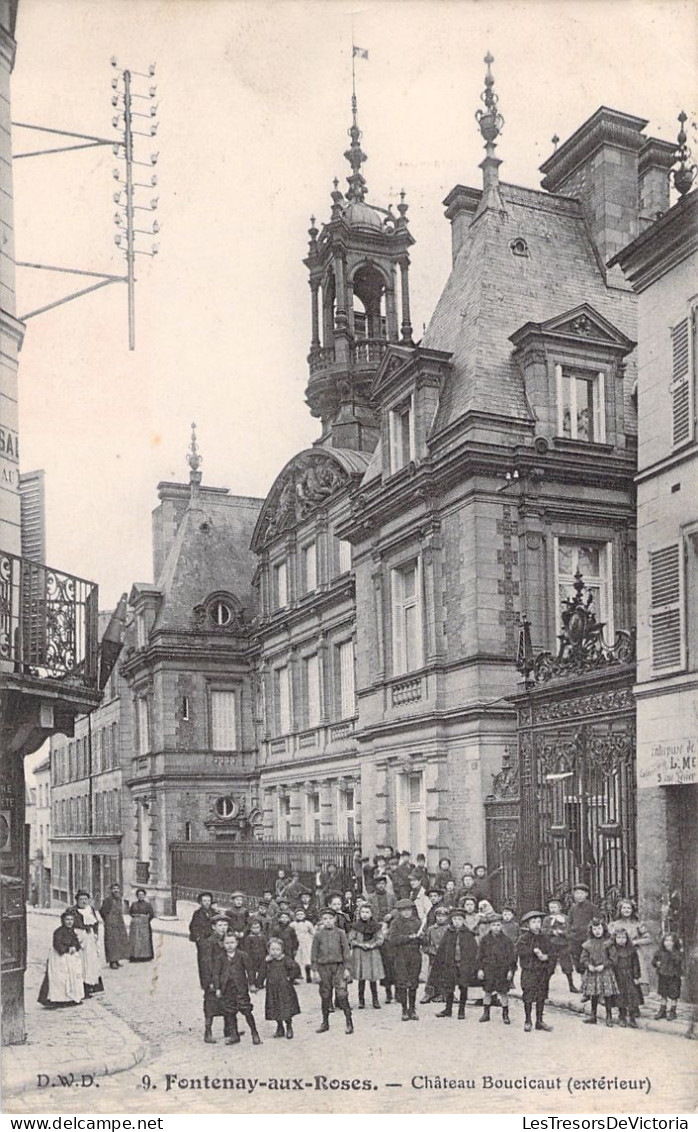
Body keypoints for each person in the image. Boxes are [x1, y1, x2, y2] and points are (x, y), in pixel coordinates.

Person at [211, 932, 261, 1046]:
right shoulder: (220, 958)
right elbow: (216, 974)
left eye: (232, 942)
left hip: (240, 988)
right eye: (227, 943)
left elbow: (250, 970)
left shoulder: (242, 955)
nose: (230, 945)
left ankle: (255, 1033)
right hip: (227, 989)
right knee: (230, 1012)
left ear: (237, 943)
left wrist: (252, 984)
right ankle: (234, 1035)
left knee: (246, 1010)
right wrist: (218, 988)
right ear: (223, 944)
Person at [310, 907, 354, 1035]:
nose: (328, 921)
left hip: (338, 967)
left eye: (330, 918)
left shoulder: (340, 933)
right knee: (325, 995)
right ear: (321, 921)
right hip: (323, 968)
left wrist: (347, 968)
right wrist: (315, 971)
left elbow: (346, 951)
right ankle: (325, 1022)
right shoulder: (318, 935)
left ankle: (349, 1022)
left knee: (342, 994)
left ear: (335, 919)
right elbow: (314, 953)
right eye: (325, 919)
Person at [430, 907, 478, 1020]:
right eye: (455, 919)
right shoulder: (449, 933)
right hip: (450, 965)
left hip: (464, 965)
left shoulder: (468, 934)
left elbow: (474, 951)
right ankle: (448, 1009)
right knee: (449, 987)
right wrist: (440, 964)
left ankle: (461, 1010)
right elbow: (442, 950)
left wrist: (473, 965)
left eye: (459, 919)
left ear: (463, 921)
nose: (457, 921)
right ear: (451, 920)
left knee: (463, 987)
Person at [516, 910, 554, 1033]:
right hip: (529, 971)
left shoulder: (545, 937)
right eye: (533, 922)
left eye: (539, 921)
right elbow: (519, 952)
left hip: (542, 971)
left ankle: (539, 1020)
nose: (537, 925)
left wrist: (546, 957)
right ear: (528, 924)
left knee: (541, 995)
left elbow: (552, 952)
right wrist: (533, 951)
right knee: (528, 995)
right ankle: (528, 1020)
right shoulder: (523, 938)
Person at [38, 911, 84, 1008]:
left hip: (70, 958)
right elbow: (57, 945)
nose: (69, 922)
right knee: (60, 978)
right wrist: (67, 949)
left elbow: (77, 944)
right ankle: (59, 999)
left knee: (72, 977)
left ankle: (71, 998)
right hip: (59, 958)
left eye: (71, 920)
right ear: (63, 920)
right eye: (67, 920)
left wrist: (75, 947)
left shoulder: (72, 931)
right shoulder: (58, 932)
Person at [608, 898, 653, 997]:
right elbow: (609, 940)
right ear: (620, 910)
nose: (626, 910)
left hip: (634, 954)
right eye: (624, 908)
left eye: (629, 908)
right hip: (619, 954)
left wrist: (635, 942)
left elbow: (648, 938)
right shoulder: (614, 924)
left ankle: (635, 1004)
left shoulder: (637, 924)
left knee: (634, 977)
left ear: (632, 910)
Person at [477, 912, 516, 1024]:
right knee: (488, 991)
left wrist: (510, 970)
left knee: (503, 992)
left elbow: (511, 957)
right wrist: (480, 969)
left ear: (502, 926)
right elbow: (480, 956)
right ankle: (486, 1013)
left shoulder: (507, 940)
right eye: (493, 925)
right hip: (488, 969)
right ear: (490, 926)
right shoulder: (485, 940)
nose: (496, 927)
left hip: (502, 970)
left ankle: (505, 1015)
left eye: (498, 925)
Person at [388, 898, 423, 1021]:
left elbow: (423, 940)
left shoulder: (417, 922)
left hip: (415, 955)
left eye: (409, 910)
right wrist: (409, 937)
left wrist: (421, 937)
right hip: (401, 956)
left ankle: (412, 1009)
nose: (407, 913)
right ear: (399, 911)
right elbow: (393, 940)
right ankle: (404, 1009)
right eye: (404, 910)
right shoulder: (395, 923)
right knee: (402, 982)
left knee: (413, 982)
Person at [580, 918, 619, 1027]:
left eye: (599, 928)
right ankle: (593, 1015)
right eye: (594, 929)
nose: (597, 931)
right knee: (594, 994)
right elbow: (583, 958)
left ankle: (608, 1016)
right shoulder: (588, 944)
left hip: (605, 971)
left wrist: (604, 965)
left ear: (604, 929)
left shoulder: (608, 943)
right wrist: (589, 965)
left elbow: (614, 958)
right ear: (591, 930)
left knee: (607, 995)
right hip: (592, 972)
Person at [68, 890, 104, 996]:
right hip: (79, 937)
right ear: (77, 900)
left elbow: (95, 923)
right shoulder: (72, 911)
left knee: (91, 962)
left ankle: (91, 984)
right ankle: (81, 986)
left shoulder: (90, 909)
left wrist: (96, 934)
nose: (83, 901)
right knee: (81, 962)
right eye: (81, 899)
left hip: (90, 939)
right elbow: (68, 925)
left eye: (85, 899)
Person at [349, 902, 384, 1010]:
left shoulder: (376, 926)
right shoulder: (355, 926)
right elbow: (351, 939)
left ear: (371, 914)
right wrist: (360, 944)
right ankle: (361, 1000)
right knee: (361, 978)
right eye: (362, 912)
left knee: (373, 978)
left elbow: (380, 939)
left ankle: (375, 1000)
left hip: (372, 953)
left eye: (367, 912)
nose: (364, 914)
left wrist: (372, 945)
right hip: (360, 953)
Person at [201, 914, 230, 1043]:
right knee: (211, 1005)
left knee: (228, 1003)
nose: (223, 928)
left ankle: (228, 1029)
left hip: (226, 978)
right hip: (213, 978)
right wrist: (210, 981)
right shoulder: (210, 942)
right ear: (214, 927)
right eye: (220, 925)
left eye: (225, 925)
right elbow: (206, 963)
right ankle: (208, 1032)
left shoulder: (229, 940)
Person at [265, 936, 301, 1039]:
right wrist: (257, 984)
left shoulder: (285, 960)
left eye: (277, 949)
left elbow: (296, 969)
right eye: (272, 949)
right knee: (275, 1008)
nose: (275, 952)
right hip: (272, 989)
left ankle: (289, 1027)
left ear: (282, 950)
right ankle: (279, 1027)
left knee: (286, 1009)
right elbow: (262, 972)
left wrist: (290, 978)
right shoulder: (268, 961)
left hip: (285, 989)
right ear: (268, 950)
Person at [542, 896, 579, 994]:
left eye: (555, 907)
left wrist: (562, 932)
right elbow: (543, 931)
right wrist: (552, 932)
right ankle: (545, 986)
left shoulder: (565, 918)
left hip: (563, 945)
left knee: (567, 965)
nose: (552, 910)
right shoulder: (547, 919)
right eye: (551, 907)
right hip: (551, 946)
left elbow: (570, 930)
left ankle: (571, 985)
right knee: (549, 966)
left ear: (560, 908)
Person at [608, 927, 643, 1027]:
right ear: (615, 938)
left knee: (631, 996)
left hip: (629, 975)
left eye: (623, 937)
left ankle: (632, 1017)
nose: (621, 939)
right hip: (618, 976)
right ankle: (622, 1016)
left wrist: (636, 976)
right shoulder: (613, 950)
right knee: (620, 997)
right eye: (619, 937)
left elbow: (636, 964)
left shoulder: (631, 950)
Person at [567, 883, 600, 974]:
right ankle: (583, 983)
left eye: (581, 893)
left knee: (588, 962)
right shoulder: (573, 908)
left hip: (587, 939)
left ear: (586, 894)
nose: (579, 896)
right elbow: (568, 923)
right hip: (575, 940)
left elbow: (597, 923)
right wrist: (569, 935)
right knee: (578, 964)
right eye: (577, 893)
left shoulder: (592, 908)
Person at [420, 904, 450, 1003]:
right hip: (434, 956)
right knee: (431, 975)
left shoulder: (450, 929)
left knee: (447, 975)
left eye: (443, 916)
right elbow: (425, 944)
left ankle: (446, 994)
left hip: (446, 956)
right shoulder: (431, 929)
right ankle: (428, 994)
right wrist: (429, 950)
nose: (441, 918)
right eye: (438, 916)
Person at [652, 933, 683, 1020]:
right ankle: (662, 1010)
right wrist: (656, 963)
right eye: (666, 940)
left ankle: (673, 1011)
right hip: (663, 976)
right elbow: (654, 961)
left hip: (674, 976)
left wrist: (672, 952)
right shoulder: (659, 952)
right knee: (663, 993)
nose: (668, 943)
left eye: (671, 941)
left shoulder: (677, 953)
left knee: (674, 994)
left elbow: (678, 962)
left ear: (675, 943)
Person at [99, 884, 130, 970]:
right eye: (114, 889)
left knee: (119, 942)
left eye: (117, 889)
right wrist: (107, 921)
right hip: (110, 924)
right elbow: (102, 911)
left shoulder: (119, 899)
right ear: (111, 890)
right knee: (111, 943)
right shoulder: (108, 900)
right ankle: (112, 962)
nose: (116, 890)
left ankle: (117, 960)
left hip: (119, 923)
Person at [189, 892, 216, 988]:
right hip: (203, 941)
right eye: (204, 901)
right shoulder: (197, 914)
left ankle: (214, 981)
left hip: (213, 941)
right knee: (203, 962)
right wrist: (198, 938)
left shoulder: (214, 912)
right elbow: (193, 927)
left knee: (214, 961)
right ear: (200, 902)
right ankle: (205, 983)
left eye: (208, 900)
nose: (207, 903)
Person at [129, 889, 155, 962]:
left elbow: (152, 915)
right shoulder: (134, 904)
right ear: (137, 896)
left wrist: (145, 920)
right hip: (135, 925)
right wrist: (136, 918)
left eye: (142, 895)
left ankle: (145, 956)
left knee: (144, 941)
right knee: (135, 940)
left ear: (144, 896)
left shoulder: (148, 904)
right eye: (139, 895)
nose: (141, 896)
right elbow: (130, 912)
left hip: (145, 925)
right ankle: (135, 956)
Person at [245, 917, 269, 990]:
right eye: (254, 928)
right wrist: (247, 957)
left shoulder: (263, 936)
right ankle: (252, 983)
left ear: (260, 928)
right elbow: (247, 948)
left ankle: (259, 983)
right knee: (251, 971)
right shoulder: (249, 937)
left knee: (263, 970)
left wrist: (268, 954)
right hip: (252, 956)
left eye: (258, 927)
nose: (256, 929)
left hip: (262, 956)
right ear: (250, 928)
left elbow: (266, 946)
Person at [293, 906, 315, 983]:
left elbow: (313, 932)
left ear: (304, 915)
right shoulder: (293, 924)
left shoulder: (308, 923)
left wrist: (310, 939)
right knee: (297, 958)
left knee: (307, 959)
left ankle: (308, 975)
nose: (300, 916)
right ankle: (298, 974)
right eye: (298, 914)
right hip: (296, 942)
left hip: (306, 942)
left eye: (301, 914)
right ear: (295, 916)